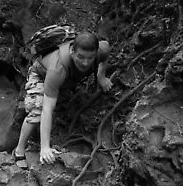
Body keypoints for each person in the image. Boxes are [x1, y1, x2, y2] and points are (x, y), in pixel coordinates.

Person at [13, 31, 113, 169]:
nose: (85, 62)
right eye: (80, 57)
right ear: (72, 51)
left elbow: (106, 50)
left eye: (90, 58)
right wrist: (45, 148)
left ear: (96, 53)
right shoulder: (57, 68)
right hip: (41, 75)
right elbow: (47, 110)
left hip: (66, 81)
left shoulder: (102, 50)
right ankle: (19, 150)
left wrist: (101, 76)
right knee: (37, 112)